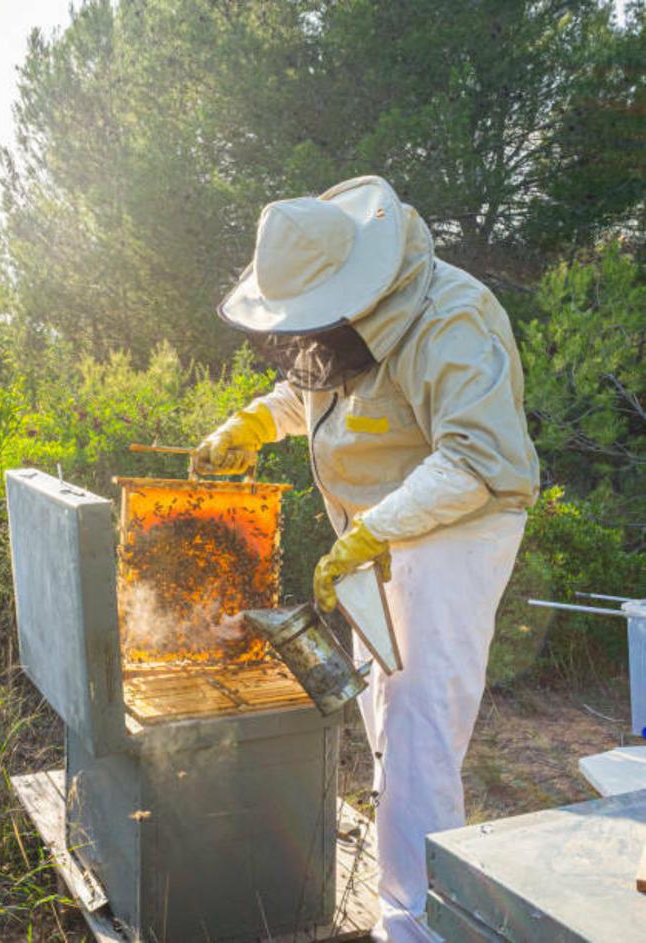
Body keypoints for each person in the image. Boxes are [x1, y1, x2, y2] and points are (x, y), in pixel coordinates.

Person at [195, 176, 539, 942]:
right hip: (373, 534)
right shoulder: (341, 321)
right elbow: (312, 386)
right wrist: (250, 423)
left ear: (355, 283)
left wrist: (371, 531)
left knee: (418, 724)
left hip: (455, 531)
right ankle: (405, 884)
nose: (302, 335)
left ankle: (418, 921)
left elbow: (480, 461)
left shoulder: (453, 316)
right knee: (380, 712)